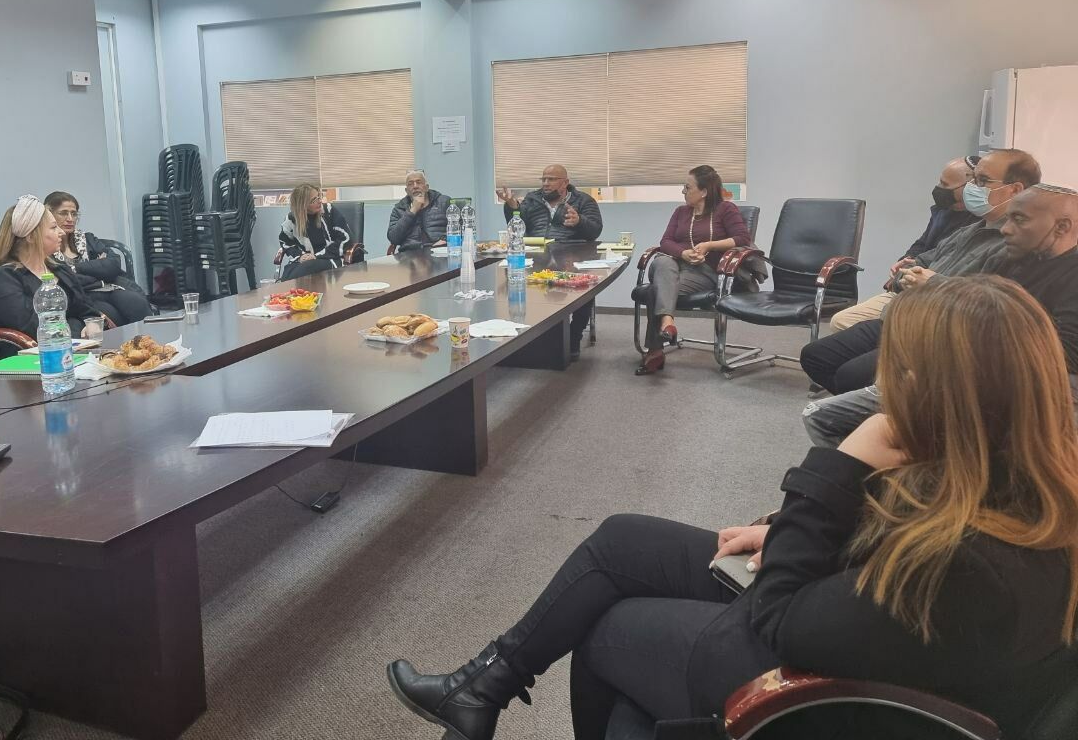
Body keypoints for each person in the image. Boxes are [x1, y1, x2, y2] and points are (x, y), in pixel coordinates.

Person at [388, 275, 1078, 740]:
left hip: (818, 686)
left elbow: (783, 623)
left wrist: (837, 468)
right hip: (854, 612)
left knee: (610, 630)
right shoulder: (1015, 474)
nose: (881, 384)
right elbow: (882, 537)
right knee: (623, 539)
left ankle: (484, 692)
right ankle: (481, 687)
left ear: (932, 389)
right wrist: (782, 530)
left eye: (891, 369)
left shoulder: (967, 560)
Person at [804, 184, 1078, 447]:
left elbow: (1065, 354)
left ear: (1062, 227)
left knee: (836, 410)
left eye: (1019, 220)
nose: (1006, 229)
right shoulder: (1012, 259)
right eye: (1008, 219)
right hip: (961, 358)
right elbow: (977, 306)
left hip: (1009, 380)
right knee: (821, 415)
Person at [801, 147, 1040, 395]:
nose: (973, 187)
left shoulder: (1014, 245)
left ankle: (886, 409)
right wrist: (906, 275)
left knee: (850, 376)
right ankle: (877, 406)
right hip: (901, 317)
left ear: (1015, 190)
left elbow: (989, 306)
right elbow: (921, 259)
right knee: (815, 357)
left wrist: (932, 283)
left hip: (938, 333)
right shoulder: (970, 229)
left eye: (982, 181)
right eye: (973, 180)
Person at [828, 156, 980, 333]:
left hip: (938, 296)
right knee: (841, 321)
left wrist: (914, 273)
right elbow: (923, 243)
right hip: (910, 285)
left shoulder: (978, 223)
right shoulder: (943, 210)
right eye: (940, 181)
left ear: (970, 187)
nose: (939, 188)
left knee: (855, 330)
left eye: (945, 185)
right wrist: (907, 259)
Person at [497, 165, 603, 360]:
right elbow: (517, 224)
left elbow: (595, 230)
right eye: (544, 179)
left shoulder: (584, 200)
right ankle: (527, 337)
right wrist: (512, 206)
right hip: (537, 257)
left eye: (551, 179)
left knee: (584, 291)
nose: (546, 183)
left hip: (572, 254)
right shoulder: (532, 199)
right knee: (514, 284)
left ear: (565, 183)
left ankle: (574, 336)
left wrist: (579, 221)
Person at [647, 166, 752, 346]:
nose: (683, 191)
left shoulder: (726, 209)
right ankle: (667, 323)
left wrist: (709, 245)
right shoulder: (680, 212)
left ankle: (656, 349)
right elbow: (665, 242)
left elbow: (742, 238)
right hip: (673, 266)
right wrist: (683, 253)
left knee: (653, 291)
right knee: (663, 262)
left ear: (704, 192)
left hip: (705, 272)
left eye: (687, 187)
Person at [0, 195, 115, 338]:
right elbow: (36, 329)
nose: (61, 232)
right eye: (53, 227)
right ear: (30, 236)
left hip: (78, 345)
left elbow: (87, 310)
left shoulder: (59, 269)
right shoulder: (4, 280)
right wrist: (76, 325)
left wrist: (92, 324)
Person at [44, 191, 151, 326]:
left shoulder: (87, 239)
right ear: (50, 215)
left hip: (108, 287)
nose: (70, 218)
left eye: (74, 214)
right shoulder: (48, 246)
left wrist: (74, 268)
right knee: (112, 316)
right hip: (81, 297)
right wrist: (97, 269)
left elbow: (113, 265)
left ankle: (148, 339)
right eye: (63, 213)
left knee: (137, 304)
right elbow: (65, 280)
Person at [277, 183, 352, 281]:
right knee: (289, 270)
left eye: (319, 197)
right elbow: (285, 243)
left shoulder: (328, 211)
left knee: (306, 268)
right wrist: (300, 256)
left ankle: (290, 289)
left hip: (330, 258)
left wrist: (316, 256)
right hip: (304, 262)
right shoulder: (292, 219)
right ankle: (289, 290)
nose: (320, 201)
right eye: (314, 200)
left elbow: (346, 239)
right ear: (303, 205)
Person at [387, 170, 451, 252]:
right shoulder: (399, 209)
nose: (415, 186)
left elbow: (461, 227)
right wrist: (412, 211)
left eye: (419, 182)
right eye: (410, 184)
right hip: (409, 254)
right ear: (407, 191)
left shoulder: (444, 202)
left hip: (439, 251)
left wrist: (446, 240)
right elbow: (393, 238)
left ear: (426, 187)